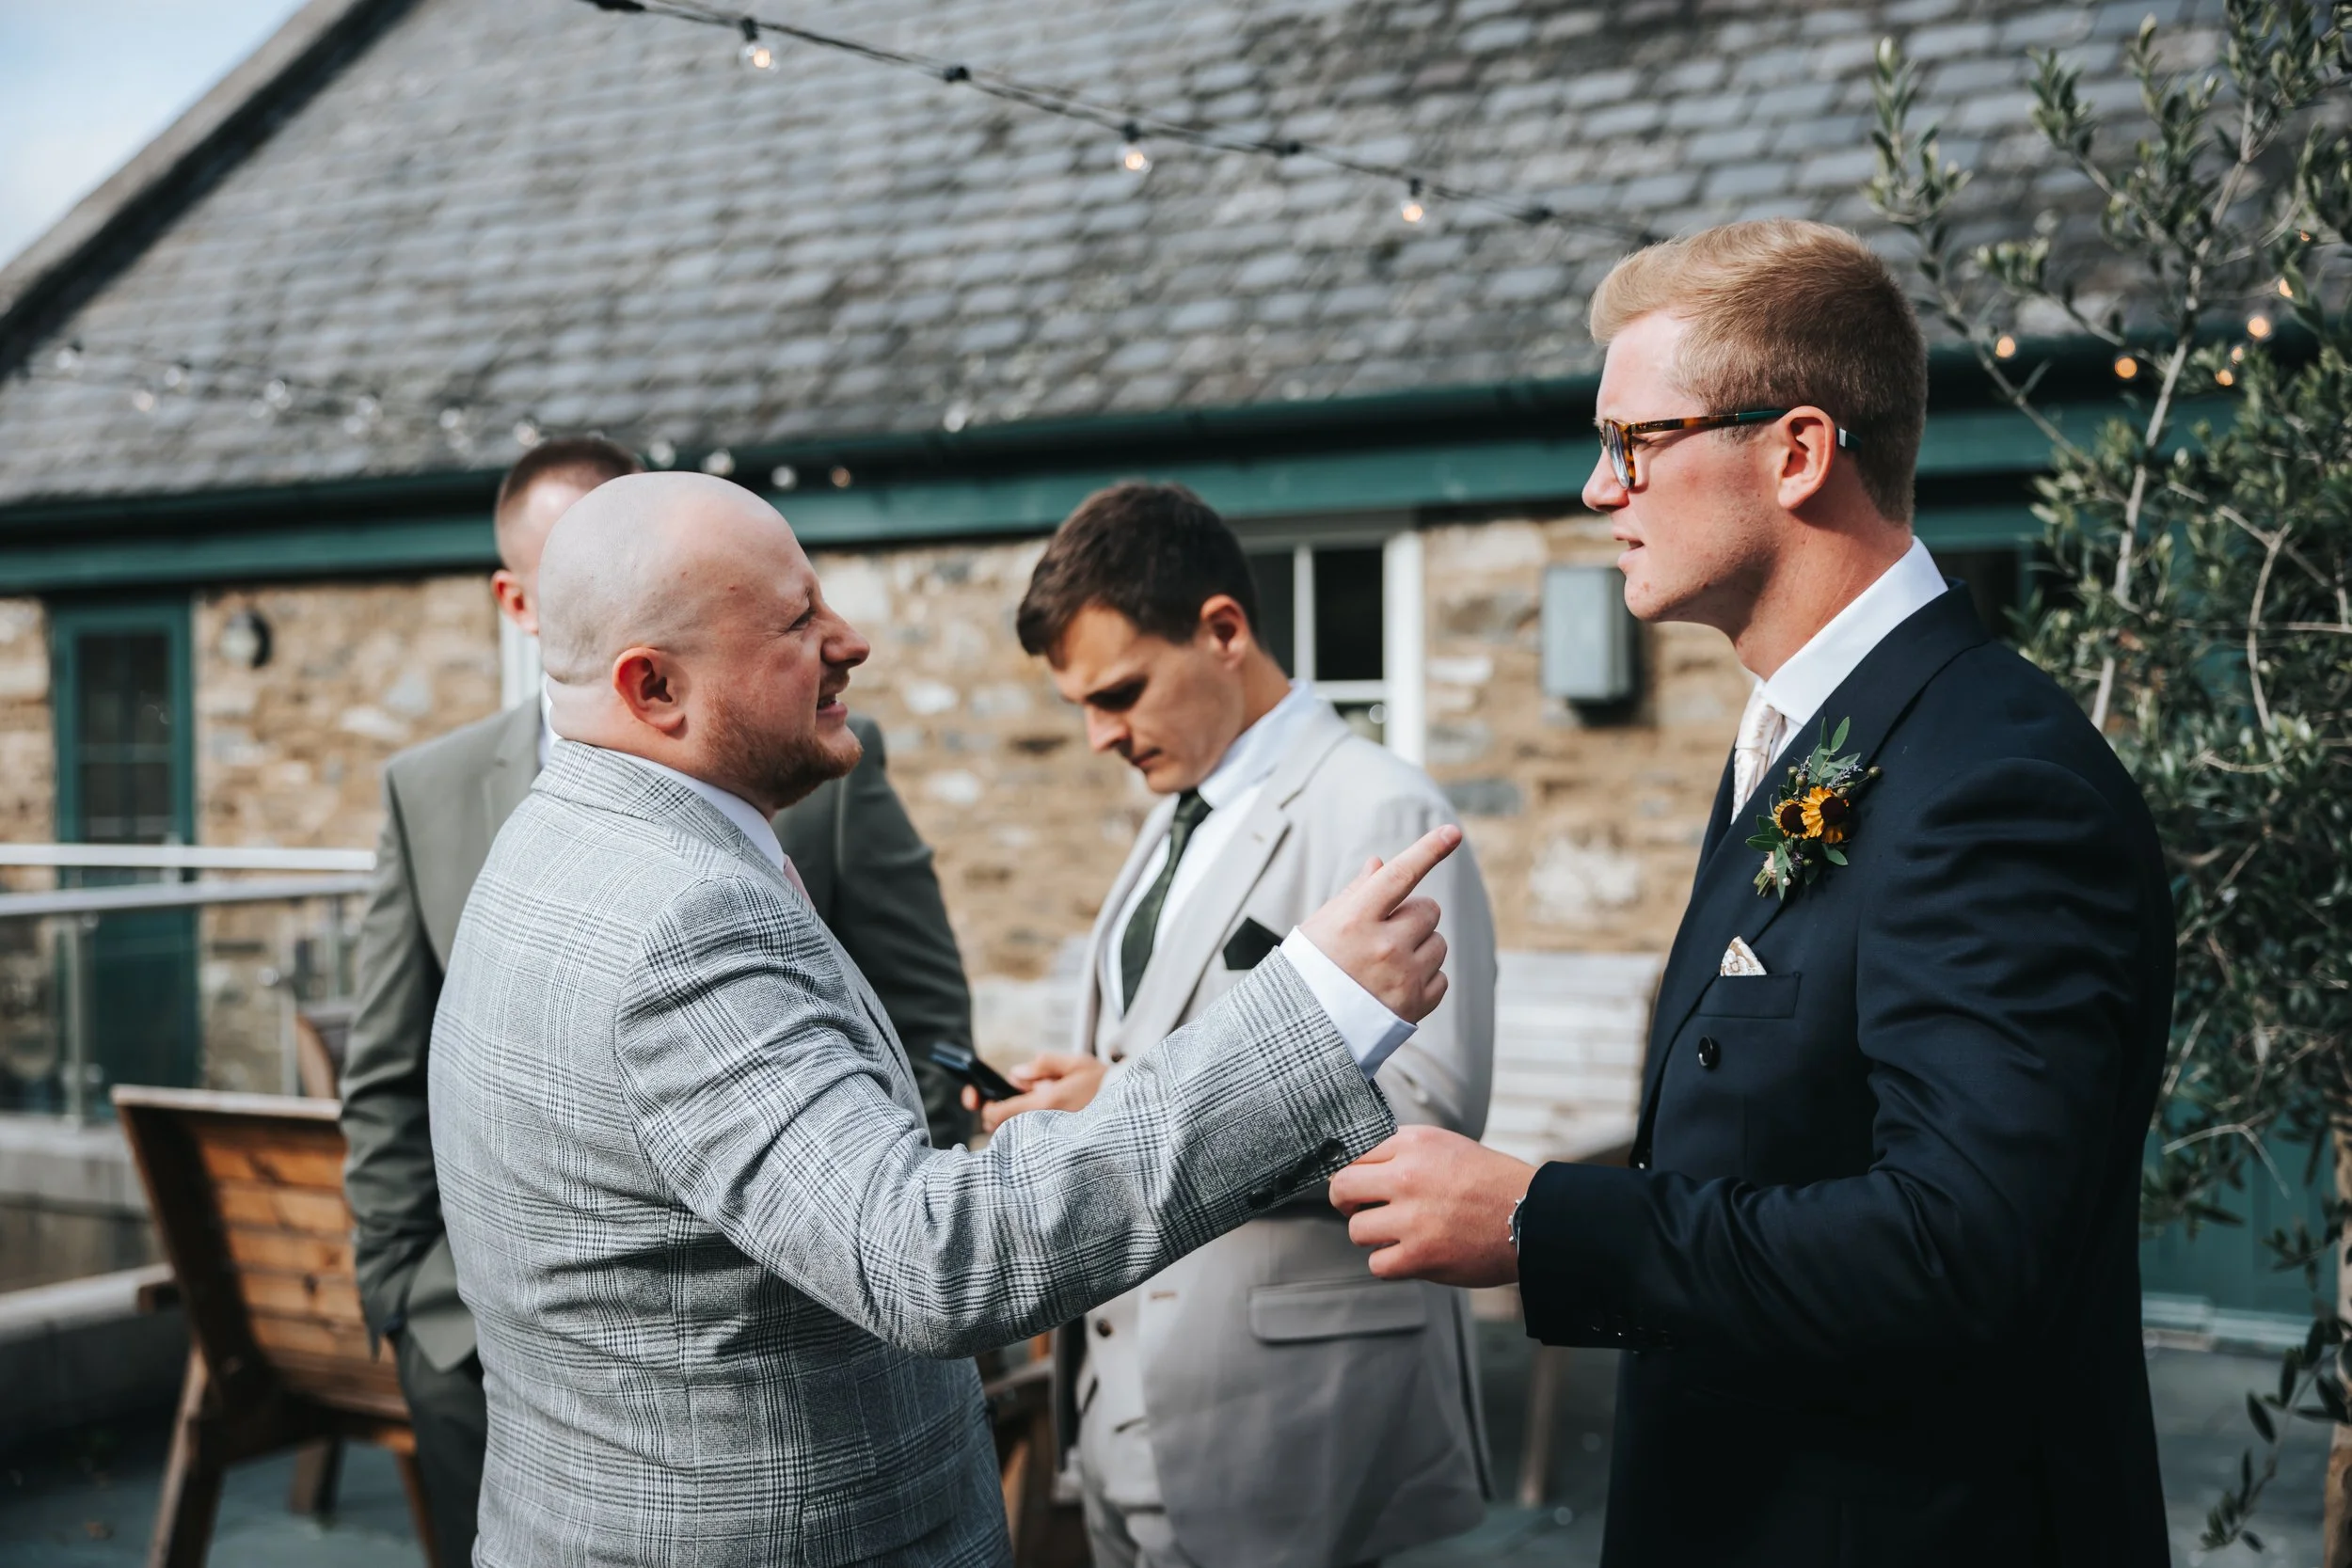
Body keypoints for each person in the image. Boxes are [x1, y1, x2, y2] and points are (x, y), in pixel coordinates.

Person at [429, 471, 1465, 1568]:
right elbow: (929, 1259)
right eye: (798, 620)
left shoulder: (551, 844)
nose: (852, 638)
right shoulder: (679, 913)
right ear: (656, 688)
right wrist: (1307, 1012)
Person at [1329, 220, 2171, 1565]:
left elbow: (1964, 1244)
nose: (1600, 488)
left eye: (1636, 441)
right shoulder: (1801, 732)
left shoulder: (1996, 779)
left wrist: (1544, 1218)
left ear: (1796, 450)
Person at [338, 438, 973, 1568]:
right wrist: (416, 1303)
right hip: (515, 1373)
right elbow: (394, 1066)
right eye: (794, 619)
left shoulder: (788, 772)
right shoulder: (451, 799)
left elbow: (917, 1025)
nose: (846, 642)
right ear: (525, 600)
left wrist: (873, 1165)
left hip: (761, 1383)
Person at [975, 482, 1494, 1568]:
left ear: (1222, 630)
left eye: (1118, 691)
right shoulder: (1177, 814)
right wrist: (1094, 1079)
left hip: (1291, 1424)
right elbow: (1163, 1045)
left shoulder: (1379, 810)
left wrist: (1119, 1101)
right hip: (1123, 1405)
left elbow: (1427, 1119)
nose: (1097, 735)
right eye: (1078, 703)